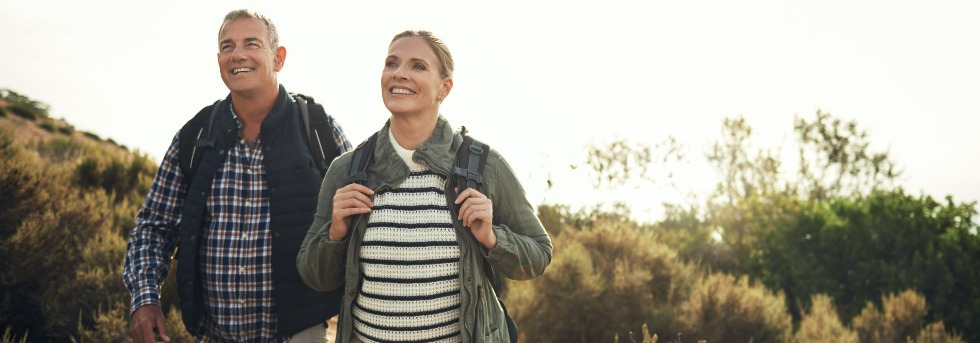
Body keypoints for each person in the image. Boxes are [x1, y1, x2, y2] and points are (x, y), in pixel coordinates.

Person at [296, 30, 553, 343]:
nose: (399, 73)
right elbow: (315, 277)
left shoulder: (486, 166)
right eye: (392, 63)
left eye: (417, 66)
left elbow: (538, 256)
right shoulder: (347, 170)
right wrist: (335, 233)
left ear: (444, 88)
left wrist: (492, 238)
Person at [123, 9, 351, 343]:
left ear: (279, 58)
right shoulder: (194, 136)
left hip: (300, 332)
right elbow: (153, 227)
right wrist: (144, 300)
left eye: (251, 44)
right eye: (227, 46)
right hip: (213, 334)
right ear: (219, 59)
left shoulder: (318, 130)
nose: (238, 54)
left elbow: (363, 222)